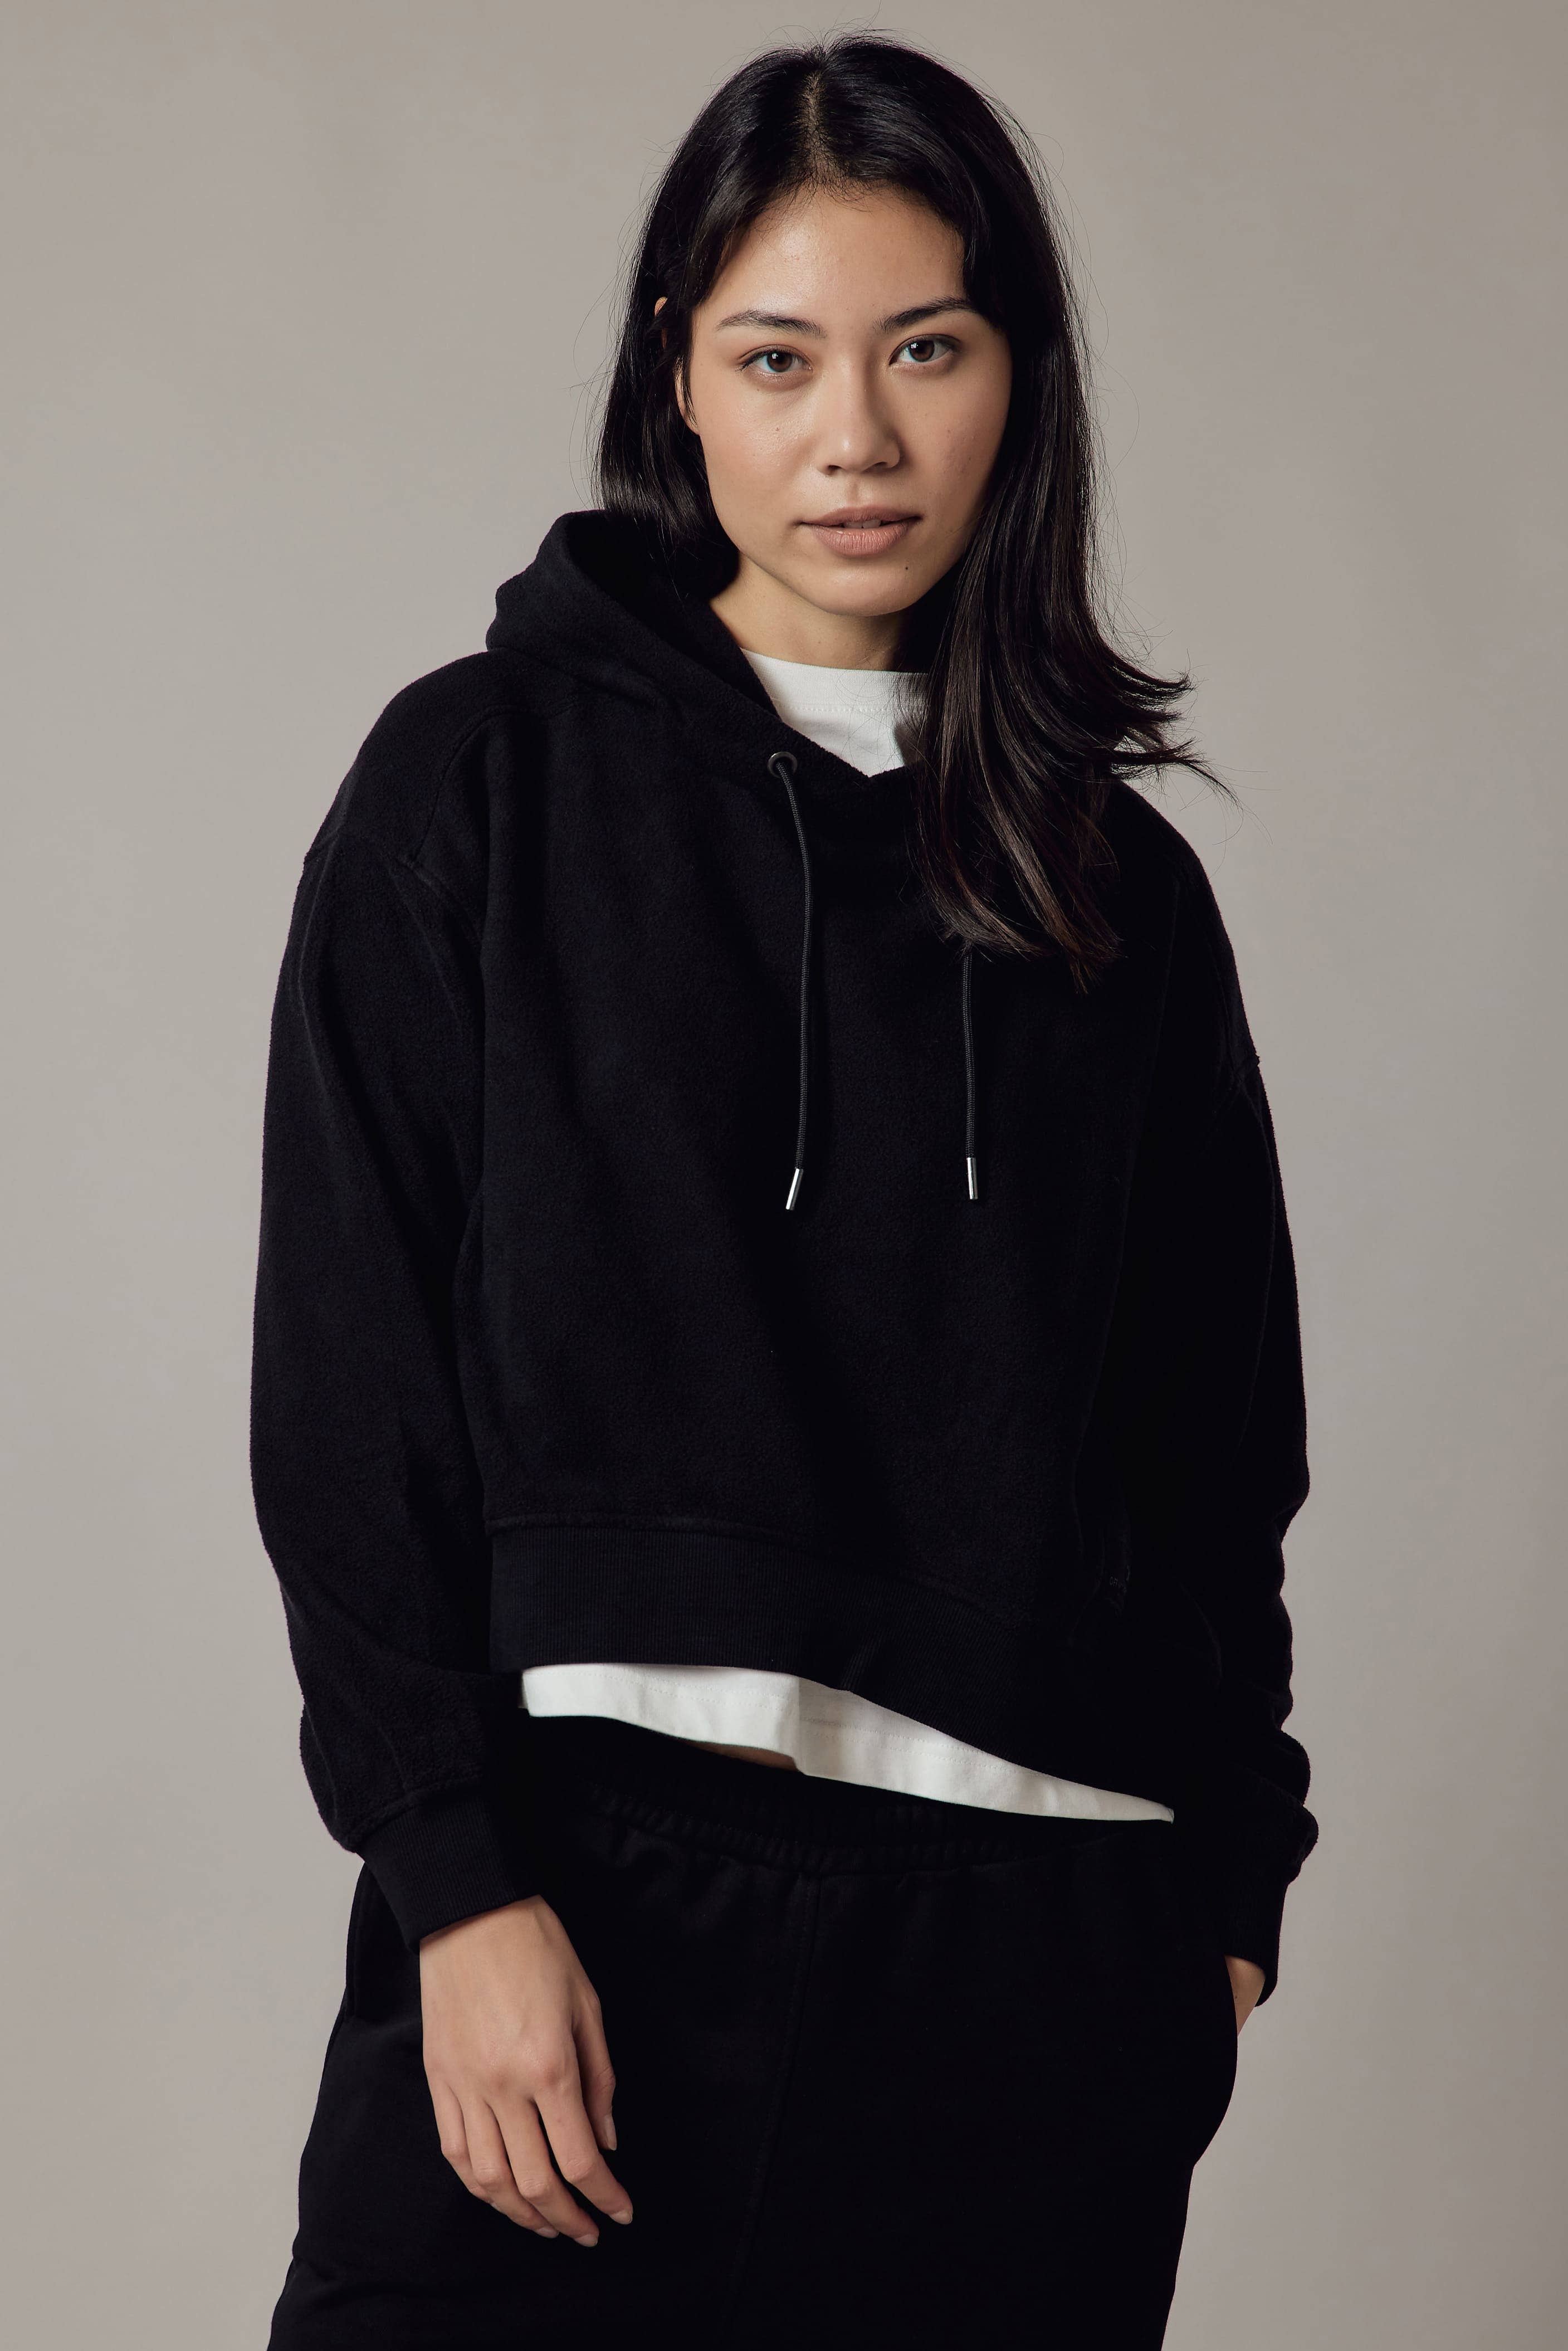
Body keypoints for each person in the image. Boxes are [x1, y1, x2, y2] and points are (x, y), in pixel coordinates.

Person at [250, 33, 1316, 2350]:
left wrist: (1220, 1903)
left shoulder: (1113, 891)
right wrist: (453, 1881)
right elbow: (349, 1377)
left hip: (1030, 1972)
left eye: (926, 349)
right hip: (586, 1919)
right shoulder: (479, 782)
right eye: (778, 356)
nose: (856, 437)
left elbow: (1217, 1443)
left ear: (1018, 380)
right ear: (681, 375)